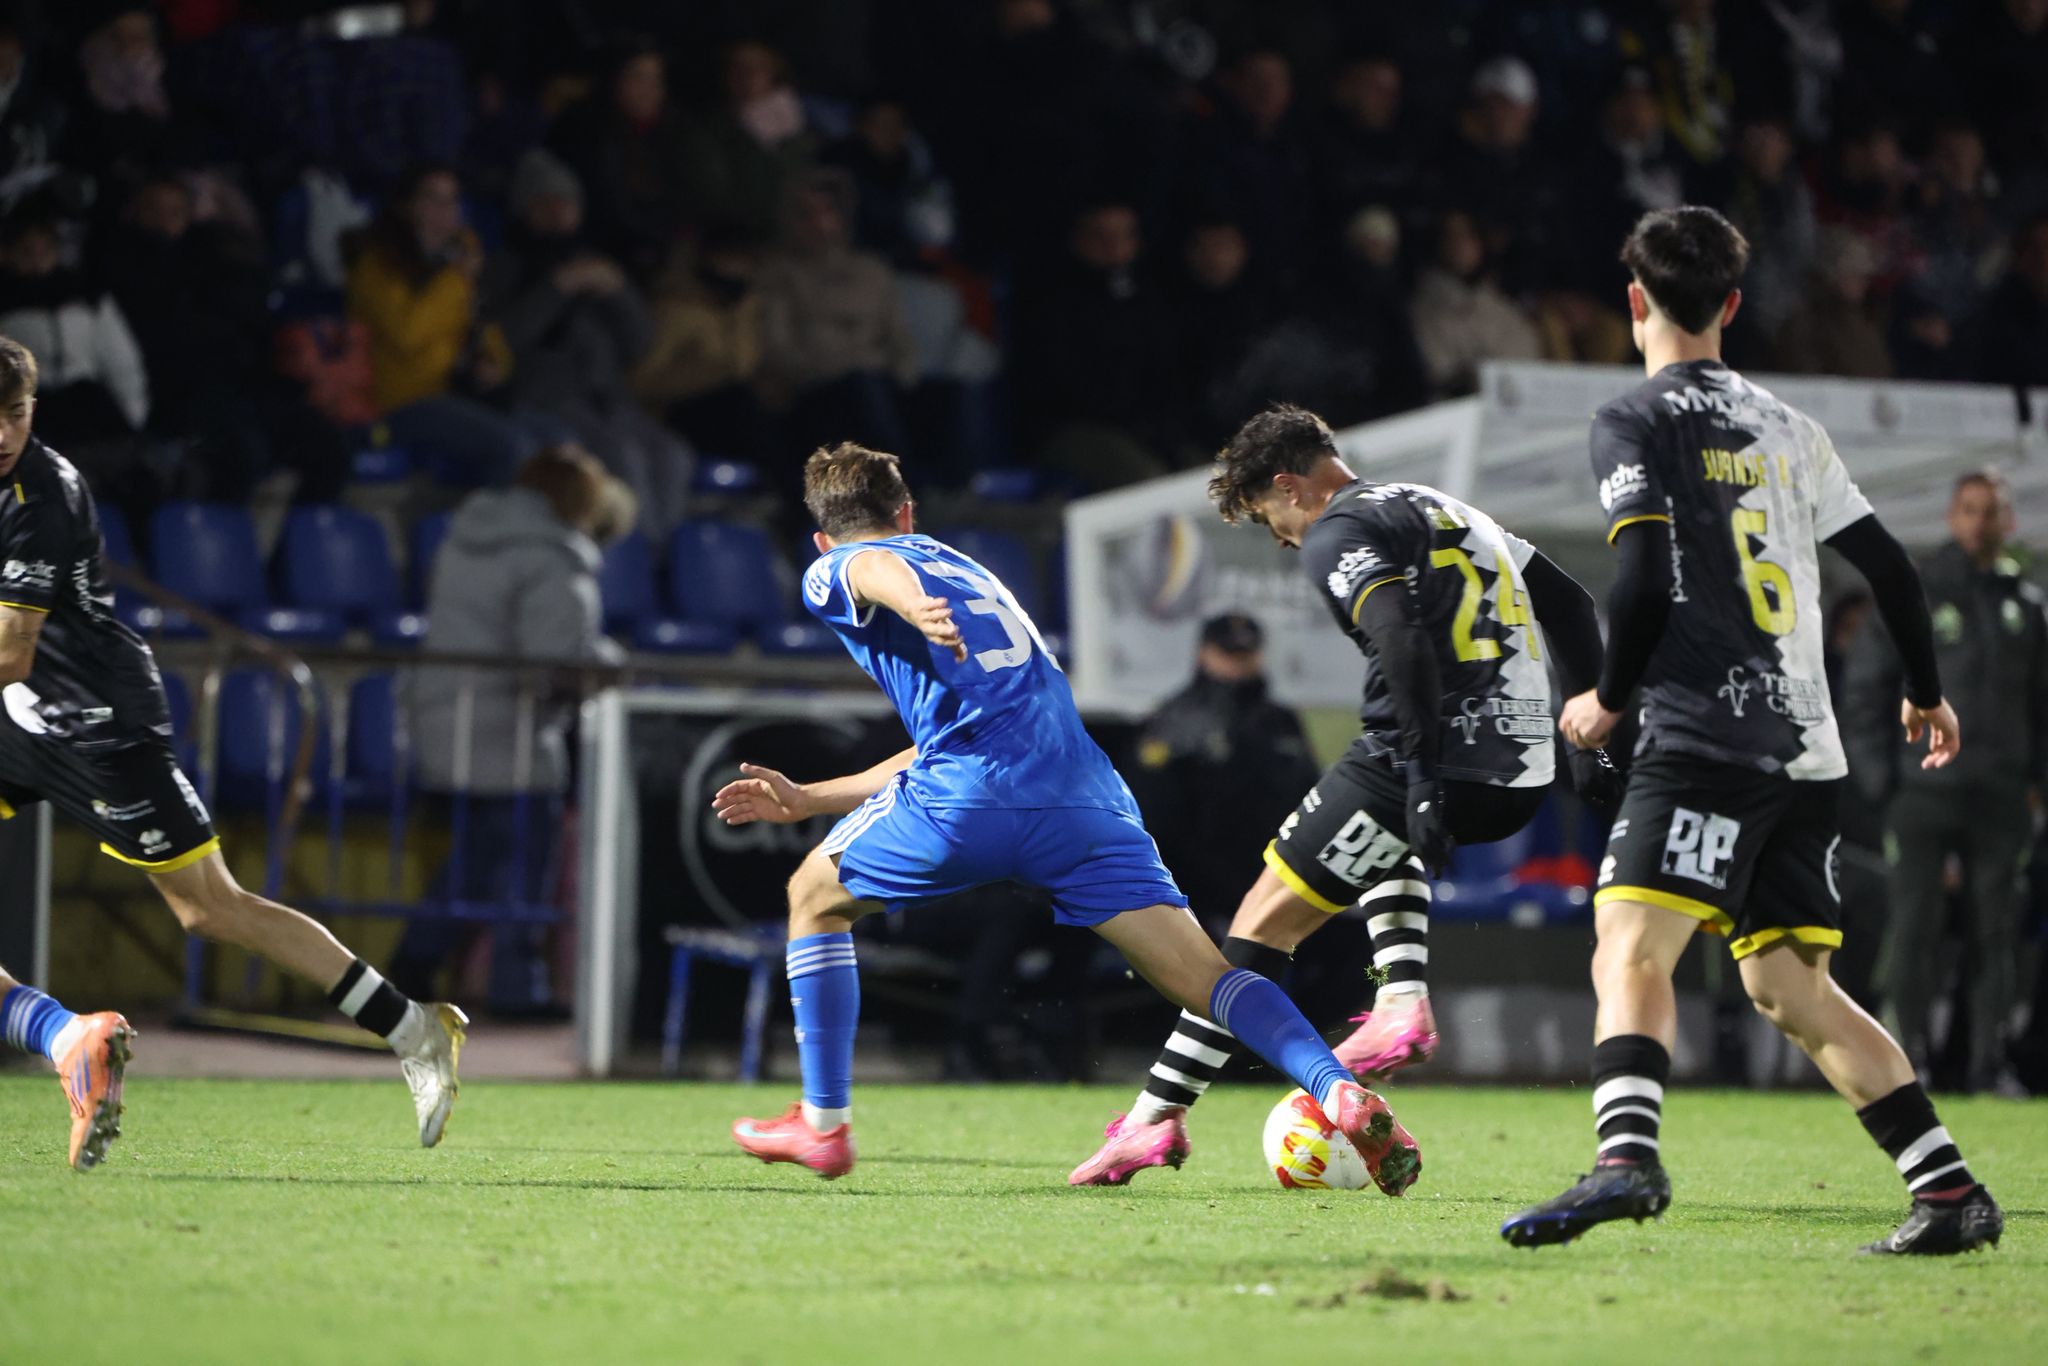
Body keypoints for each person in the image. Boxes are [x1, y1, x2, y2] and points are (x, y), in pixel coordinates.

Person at [715, 442, 1421, 1193]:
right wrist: (814, 796)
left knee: (811, 898)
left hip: (975, 796)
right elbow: (952, 729)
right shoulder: (973, 571)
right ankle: (1336, 1088)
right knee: (1210, 978)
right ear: (910, 511)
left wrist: (906, 600)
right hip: (1086, 800)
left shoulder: (851, 566)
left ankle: (822, 1125)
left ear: (824, 537)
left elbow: (867, 567)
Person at [1502, 206, 2001, 1256]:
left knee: (1629, 942)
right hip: (1804, 747)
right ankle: (1947, 1190)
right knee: (1785, 982)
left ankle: (1623, 1159)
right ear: (1730, 305)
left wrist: (1606, 697)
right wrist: (1923, 689)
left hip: (1702, 735)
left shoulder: (1631, 420)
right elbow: (1894, 572)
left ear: (1634, 303)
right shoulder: (1788, 427)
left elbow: (1637, 579)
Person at [1070, 404, 1617, 1187]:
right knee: (1369, 849)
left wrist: (1422, 776)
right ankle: (1399, 999)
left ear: (1291, 485)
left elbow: (1397, 636)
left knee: (1254, 934)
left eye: (1270, 518)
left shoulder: (1336, 531)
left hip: (1423, 759)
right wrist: (1588, 729)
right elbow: (1569, 604)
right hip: (1521, 770)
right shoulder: (1443, 508)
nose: (1283, 538)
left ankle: (1155, 1119)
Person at [0, 335, 463, 1169]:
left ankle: (412, 1029)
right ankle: (67, 1038)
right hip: (18, 721)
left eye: (16, 413)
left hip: (96, 718)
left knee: (209, 908)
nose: (4, 431)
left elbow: (11, 650)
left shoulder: (43, 493)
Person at [394, 444, 632, 1008]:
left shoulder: (467, 534)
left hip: (448, 715)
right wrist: (609, 663)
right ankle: (514, 985)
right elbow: (552, 656)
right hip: (512, 730)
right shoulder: (552, 557)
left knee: (474, 860)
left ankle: (413, 966)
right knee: (526, 864)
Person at [1844, 472, 2046, 1092]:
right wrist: (1883, 782)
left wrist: (2037, 782)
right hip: (1922, 793)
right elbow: (1864, 691)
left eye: (1991, 512)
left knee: (1998, 932)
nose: (1980, 522)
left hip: (2002, 794)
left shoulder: (2028, 604)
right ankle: (1905, 1063)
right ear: (1952, 518)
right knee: (1914, 928)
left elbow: (2042, 705)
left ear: (2009, 522)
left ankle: (1987, 1063)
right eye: (1969, 511)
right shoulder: (1919, 592)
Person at [480, 149, 690, 536]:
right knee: (622, 458)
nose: (561, 212)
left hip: (609, 401)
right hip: (546, 400)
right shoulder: (505, 268)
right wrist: (557, 288)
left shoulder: (598, 265)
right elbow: (502, 340)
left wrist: (620, 292)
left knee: (673, 455)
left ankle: (665, 563)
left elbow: (640, 344)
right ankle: (639, 562)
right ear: (527, 208)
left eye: (568, 203)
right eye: (548, 203)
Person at [1126, 613, 1320, 927]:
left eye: (1246, 654)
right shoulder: (1173, 719)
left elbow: (1308, 792)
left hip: (1273, 880)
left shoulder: (1281, 720)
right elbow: (1155, 816)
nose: (1238, 664)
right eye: (1228, 654)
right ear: (1204, 653)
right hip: (1198, 892)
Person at [346, 162, 531, 487]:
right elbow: (408, 332)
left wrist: (491, 365)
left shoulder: (458, 272)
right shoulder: (376, 266)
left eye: (453, 200)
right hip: (402, 403)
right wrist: (456, 280)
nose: (446, 211)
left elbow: (490, 338)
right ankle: (492, 535)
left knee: (558, 441)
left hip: (460, 398)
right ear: (406, 207)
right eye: (433, 199)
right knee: (512, 447)